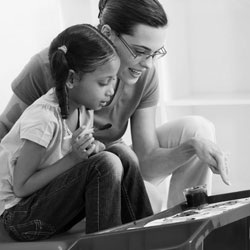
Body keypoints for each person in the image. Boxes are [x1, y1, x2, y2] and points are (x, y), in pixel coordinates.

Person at [0, 0, 230, 212]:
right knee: (146, 196)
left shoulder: (144, 74)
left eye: (155, 54)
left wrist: (191, 147)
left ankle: (188, 225)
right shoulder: (52, 65)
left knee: (198, 130)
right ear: (107, 33)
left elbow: (146, 160)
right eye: (140, 52)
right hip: (70, 175)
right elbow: (6, 133)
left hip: (107, 159)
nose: (149, 65)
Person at [0, 24, 153, 241]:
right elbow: (21, 187)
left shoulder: (82, 109)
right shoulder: (43, 120)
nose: (111, 91)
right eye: (103, 82)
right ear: (71, 79)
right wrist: (74, 159)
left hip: (45, 201)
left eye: (113, 81)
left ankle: (150, 238)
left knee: (121, 154)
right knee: (106, 164)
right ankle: (106, 247)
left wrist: (91, 150)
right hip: (17, 216)